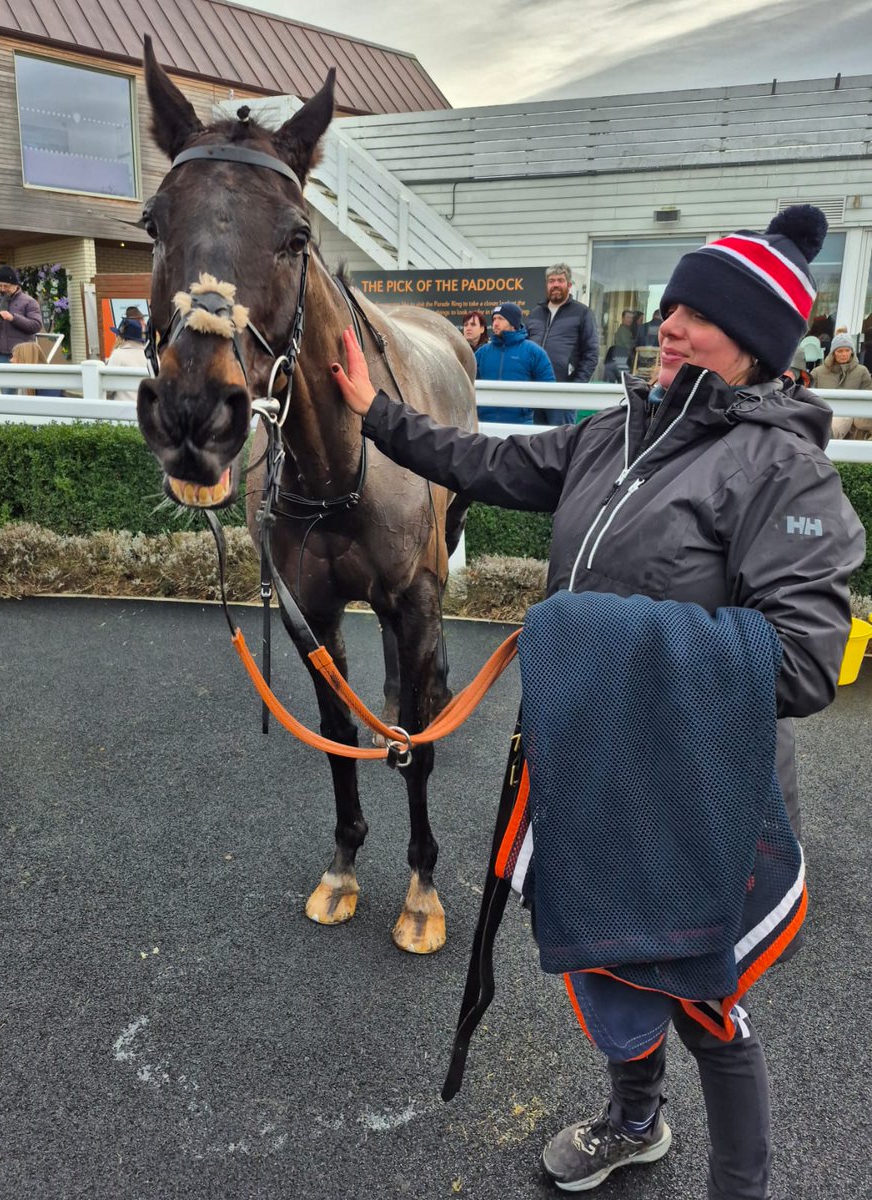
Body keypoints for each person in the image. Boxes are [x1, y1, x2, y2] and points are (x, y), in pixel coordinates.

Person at [330, 205, 865, 1200]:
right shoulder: (608, 436)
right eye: (670, 307)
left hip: (697, 791)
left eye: (699, 316)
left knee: (703, 1006)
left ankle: (738, 1185)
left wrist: (584, 634)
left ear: (754, 347)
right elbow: (476, 462)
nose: (669, 324)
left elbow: (801, 665)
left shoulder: (782, 472)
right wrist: (372, 412)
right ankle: (632, 1122)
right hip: (593, 768)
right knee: (601, 968)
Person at [525, 264, 599, 425]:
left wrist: (575, 387)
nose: (556, 284)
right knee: (532, 443)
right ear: (547, 285)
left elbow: (591, 354)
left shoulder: (582, 313)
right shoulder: (534, 314)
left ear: (569, 285)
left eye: (560, 280)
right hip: (534, 391)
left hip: (563, 393)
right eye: (551, 281)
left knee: (561, 444)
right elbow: (525, 348)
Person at [474, 302, 555, 424]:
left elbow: (549, 389)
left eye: (500, 319)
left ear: (513, 323)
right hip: (485, 425)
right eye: (494, 319)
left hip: (520, 426)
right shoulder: (482, 353)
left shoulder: (534, 352)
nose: (495, 323)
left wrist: (526, 409)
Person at [810, 331, 872, 439]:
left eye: (847, 350)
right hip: (823, 412)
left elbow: (868, 397)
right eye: (840, 351)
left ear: (851, 352)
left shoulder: (862, 371)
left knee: (846, 417)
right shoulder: (817, 372)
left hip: (852, 415)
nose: (844, 354)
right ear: (833, 352)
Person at [0, 266, 42, 363]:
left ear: (15, 285)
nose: (3, 289)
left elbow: (36, 326)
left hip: (23, 355)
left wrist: (12, 318)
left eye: (6, 286)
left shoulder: (29, 302)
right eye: (0, 285)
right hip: (0, 355)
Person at [105, 318, 148, 402]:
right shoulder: (151, 355)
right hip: (147, 408)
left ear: (122, 338)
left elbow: (108, 387)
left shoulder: (118, 354)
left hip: (122, 409)